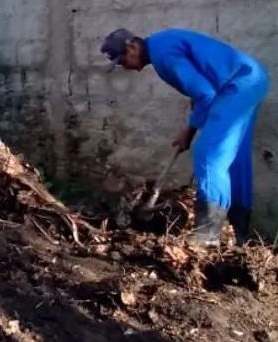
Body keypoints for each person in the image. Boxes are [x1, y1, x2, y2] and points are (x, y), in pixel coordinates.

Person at [100, 28, 269, 247]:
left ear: (132, 47)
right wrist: (188, 132)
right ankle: (241, 235)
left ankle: (207, 234)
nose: (125, 67)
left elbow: (205, 94)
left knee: (208, 155)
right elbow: (202, 90)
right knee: (235, 158)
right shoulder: (162, 43)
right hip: (250, 79)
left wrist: (190, 130)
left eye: (122, 60)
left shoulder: (163, 57)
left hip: (236, 85)